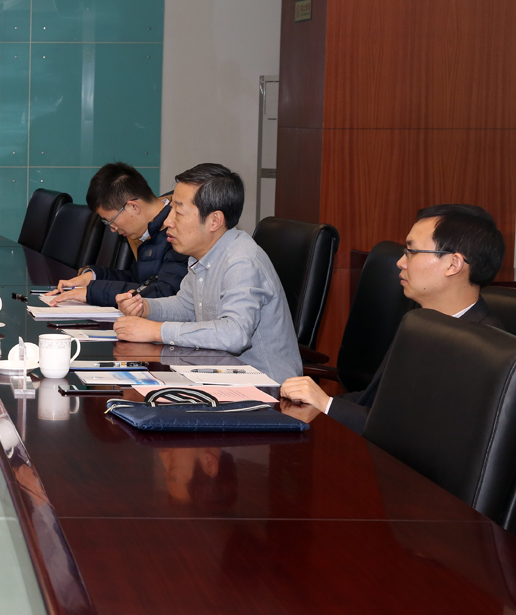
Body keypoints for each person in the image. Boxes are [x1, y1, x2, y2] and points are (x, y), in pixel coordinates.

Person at [280, 204, 506, 433]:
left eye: (412, 252)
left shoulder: (484, 354)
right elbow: (374, 401)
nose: (401, 262)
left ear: (453, 264)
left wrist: (327, 405)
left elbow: (415, 434)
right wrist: (314, 402)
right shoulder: (418, 324)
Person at [112, 163, 302, 384]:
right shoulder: (204, 254)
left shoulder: (242, 261)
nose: (167, 221)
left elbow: (234, 334)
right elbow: (187, 306)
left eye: (178, 212)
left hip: (267, 390)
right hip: (222, 378)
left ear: (214, 221)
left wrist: (157, 331)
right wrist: (146, 308)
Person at [43, 162, 188, 307]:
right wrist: (92, 277)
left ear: (133, 206)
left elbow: (164, 292)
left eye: (110, 221)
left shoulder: (180, 232)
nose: (112, 229)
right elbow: (138, 279)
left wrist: (92, 292)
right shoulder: (146, 232)